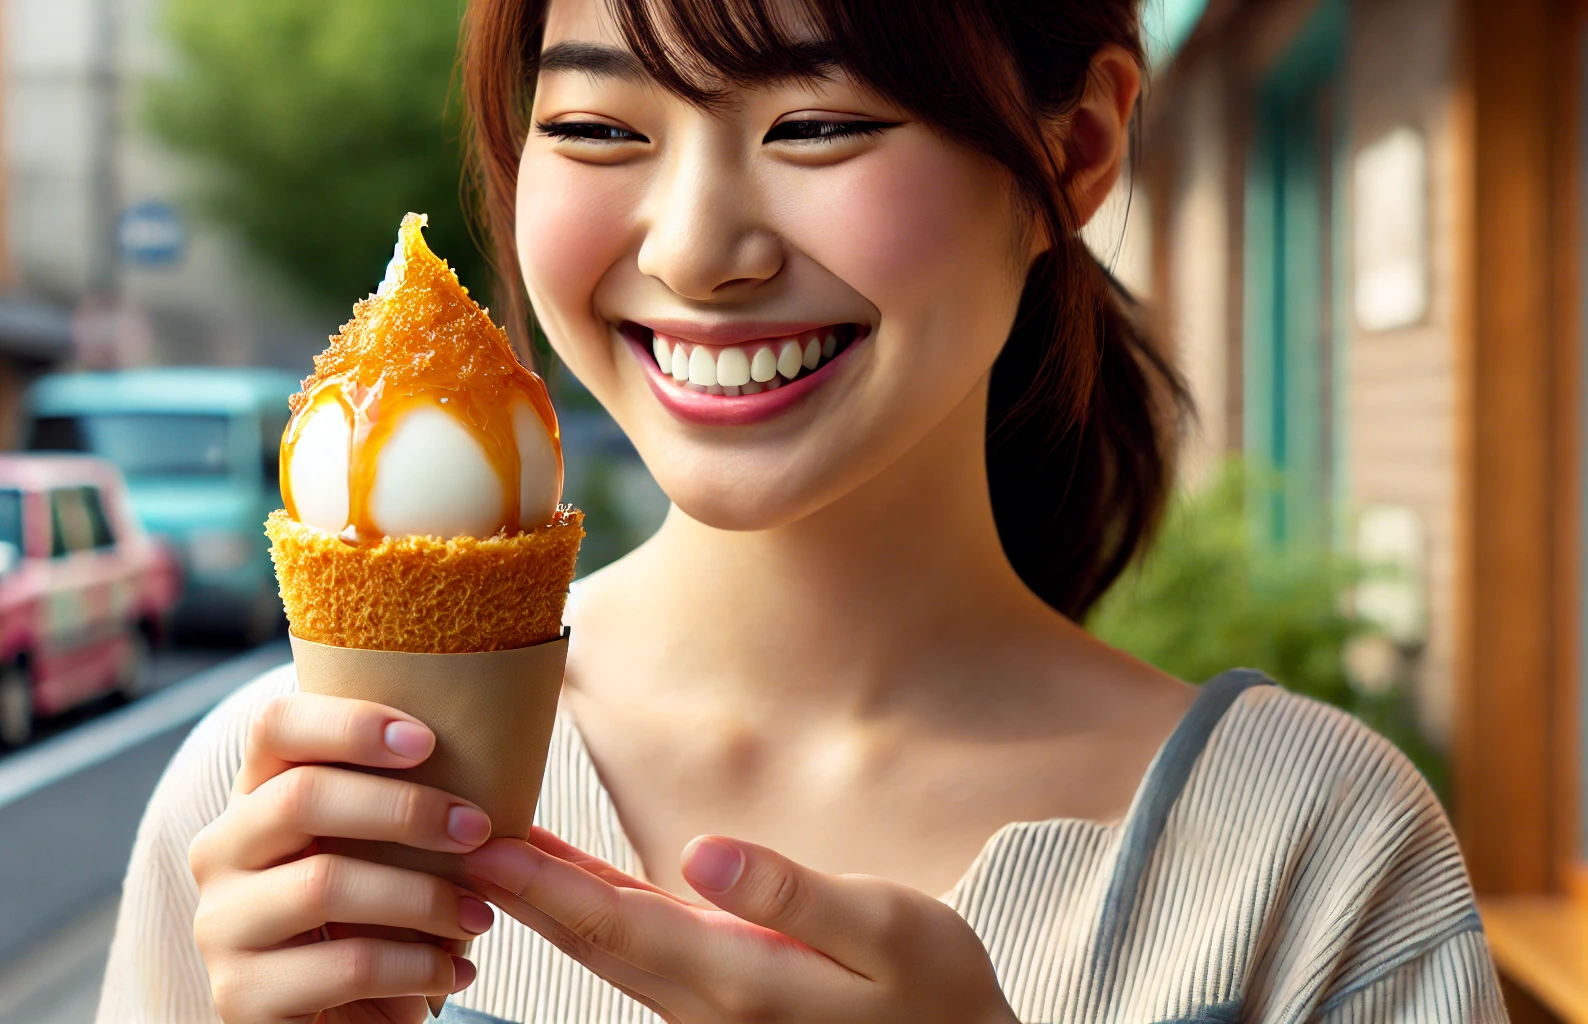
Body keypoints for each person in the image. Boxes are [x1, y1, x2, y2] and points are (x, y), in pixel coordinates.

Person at [96, 0, 1508, 1021]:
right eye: (595, 125)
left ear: (1074, 151)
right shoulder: (287, 808)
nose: (698, 248)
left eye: (816, 121)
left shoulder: (1318, 855)